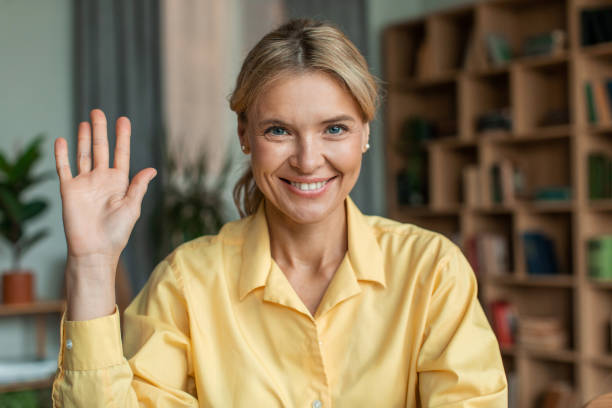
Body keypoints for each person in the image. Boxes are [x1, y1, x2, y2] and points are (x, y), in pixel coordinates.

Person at [51, 19, 507, 407]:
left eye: (334, 128)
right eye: (278, 131)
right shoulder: (186, 283)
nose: (308, 160)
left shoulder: (432, 271)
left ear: (365, 132)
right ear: (245, 135)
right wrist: (92, 266)